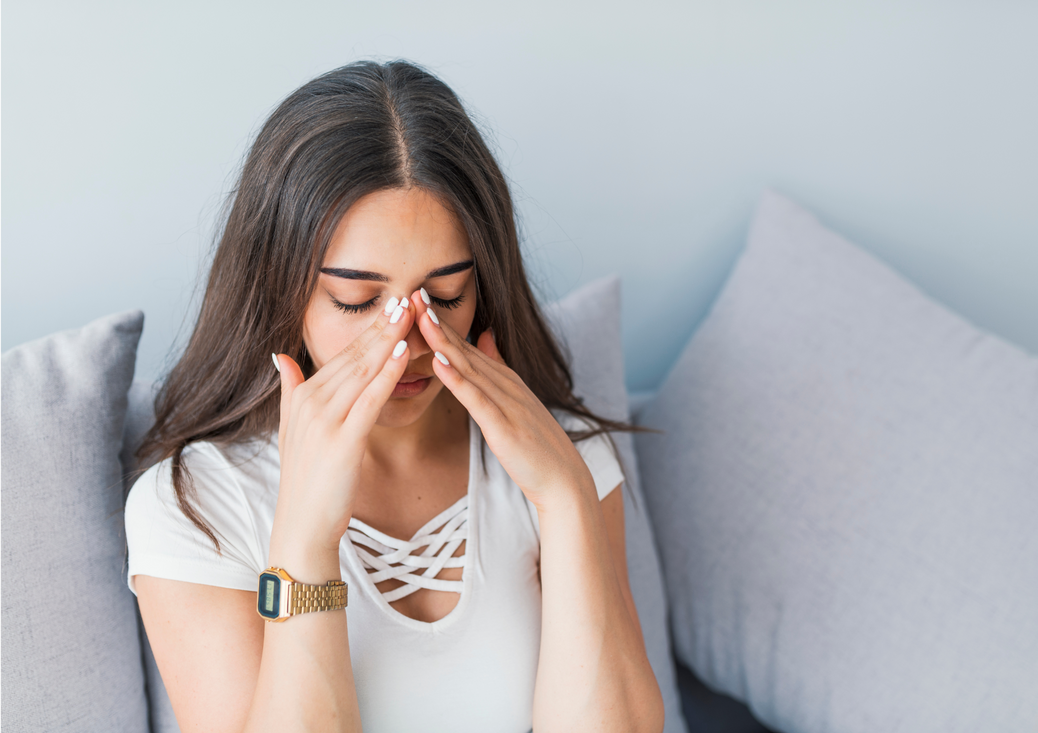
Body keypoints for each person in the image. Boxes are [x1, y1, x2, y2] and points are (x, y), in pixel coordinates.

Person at [124, 59, 664, 732]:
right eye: (356, 301)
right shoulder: (195, 504)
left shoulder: (565, 458)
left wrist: (566, 499)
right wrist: (305, 539)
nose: (407, 339)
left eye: (445, 296)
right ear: (279, 289)